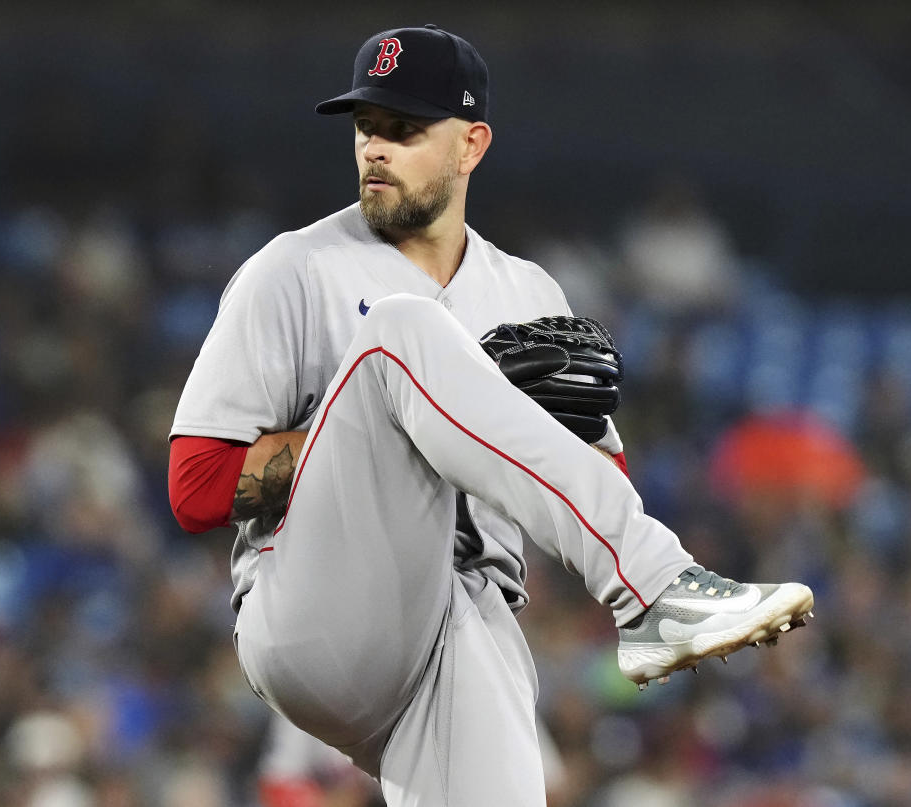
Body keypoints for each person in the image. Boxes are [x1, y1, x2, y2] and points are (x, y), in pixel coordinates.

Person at [168, 25, 813, 806]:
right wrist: (376, 430)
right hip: (317, 613)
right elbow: (195, 488)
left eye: (404, 129)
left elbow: (594, 485)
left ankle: (654, 587)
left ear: (471, 144)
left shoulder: (530, 293)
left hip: (468, 629)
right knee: (400, 334)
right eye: (367, 127)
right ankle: (656, 588)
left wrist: (520, 418)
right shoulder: (292, 270)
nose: (376, 148)